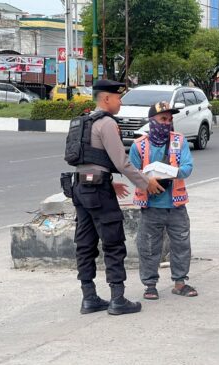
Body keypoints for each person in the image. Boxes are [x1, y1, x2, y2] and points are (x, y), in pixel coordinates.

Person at [68, 79, 165, 316]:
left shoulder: (83, 121)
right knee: (112, 241)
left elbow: (90, 161)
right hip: (97, 190)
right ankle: (118, 299)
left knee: (85, 242)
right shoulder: (106, 123)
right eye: (118, 97)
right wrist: (146, 182)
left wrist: (110, 183)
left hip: (79, 186)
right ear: (106, 99)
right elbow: (122, 162)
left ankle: (89, 298)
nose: (121, 102)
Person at [129, 101, 197, 300]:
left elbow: (187, 167)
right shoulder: (139, 145)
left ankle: (180, 282)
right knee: (149, 246)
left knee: (182, 244)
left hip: (176, 205)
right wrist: (148, 180)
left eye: (170, 119)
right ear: (152, 121)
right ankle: (150, 285)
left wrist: (167, 173)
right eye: (163, 119)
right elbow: (132, 172)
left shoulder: (179, 141)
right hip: (151, 206)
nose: (167, 123)